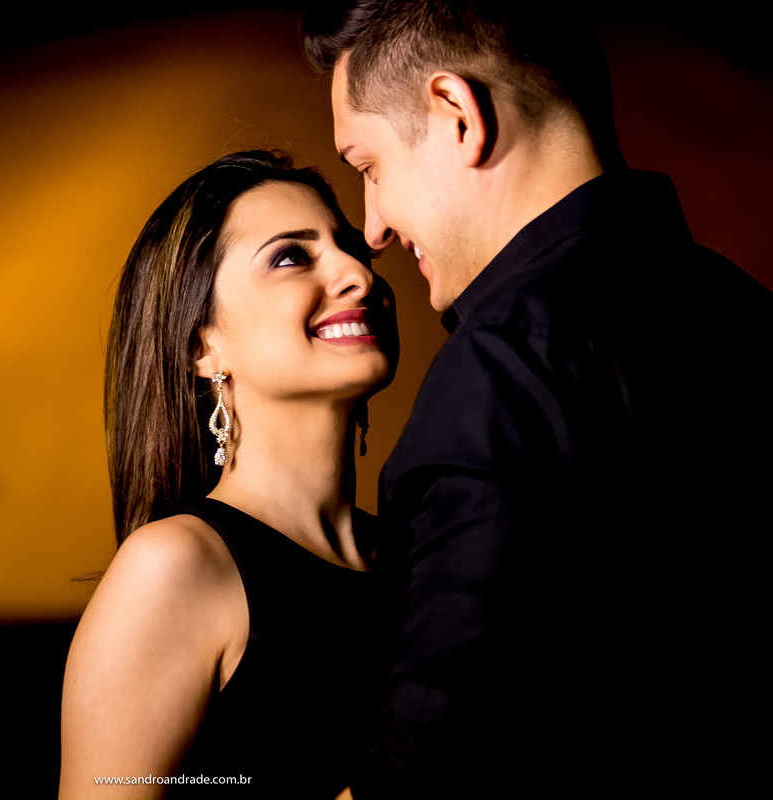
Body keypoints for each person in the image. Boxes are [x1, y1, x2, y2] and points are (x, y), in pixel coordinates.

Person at [303, 1, 773, 794]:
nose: (373, 227)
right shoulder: (743, 310)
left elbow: (423, 775)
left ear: (457, 114)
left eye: (368, 168)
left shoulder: (505, 369)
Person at [59, 150, 400, 798]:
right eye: (291, 257)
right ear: (201, 345)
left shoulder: (424, 553)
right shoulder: (175, 566)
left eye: (352, 247)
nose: (358, 273)